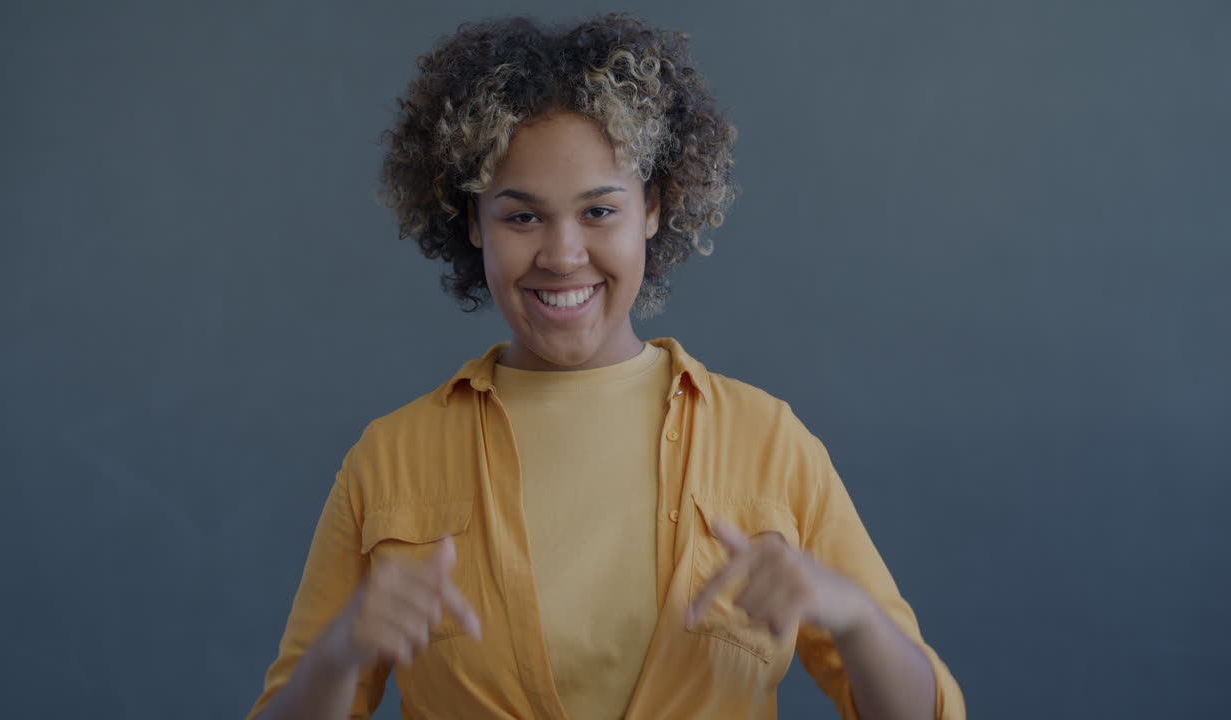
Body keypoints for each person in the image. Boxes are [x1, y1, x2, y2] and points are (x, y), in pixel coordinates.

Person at [248, 13, 964, 720]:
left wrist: (856, 617)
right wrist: (339, 651)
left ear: (652, 207)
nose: (563, 255)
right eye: (521, 217)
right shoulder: (388, 462)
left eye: (598, 212)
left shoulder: (770, 444)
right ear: (473, 222)